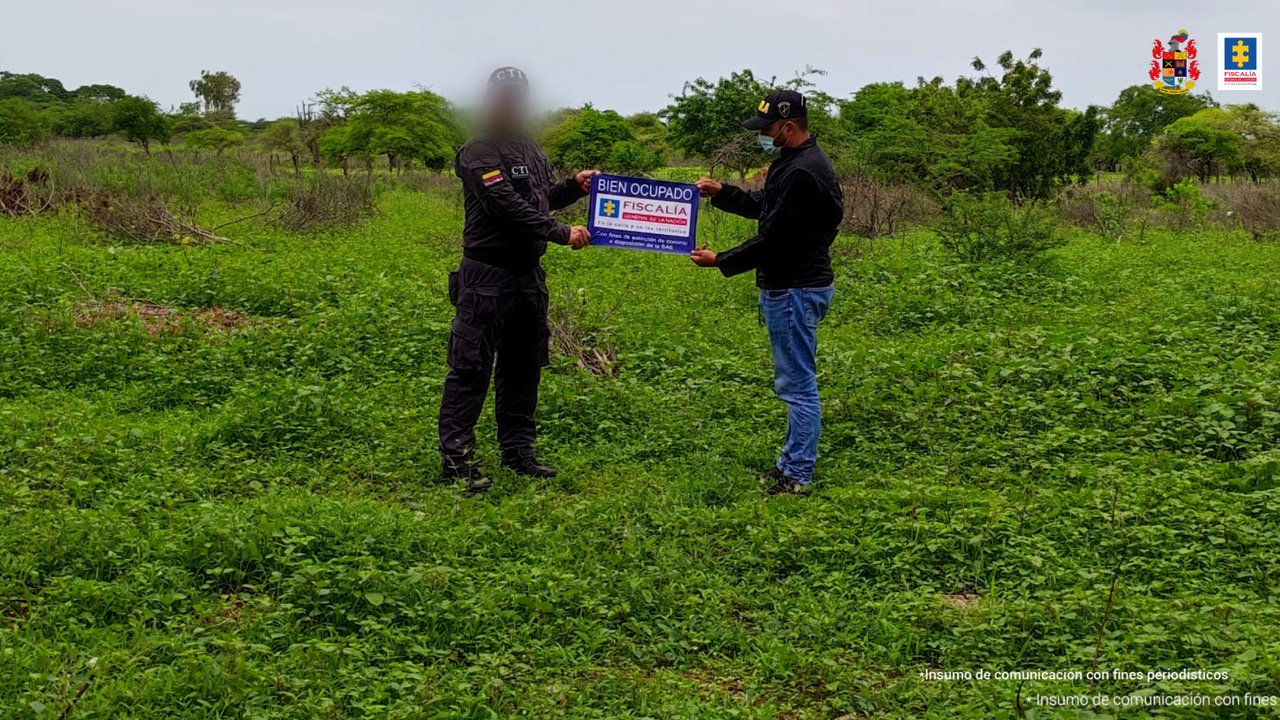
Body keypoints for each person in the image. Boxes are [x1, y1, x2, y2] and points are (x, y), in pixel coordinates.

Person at [440, 66, 597, 493]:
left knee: (524, 366)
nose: (511, 105)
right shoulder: (479, 149)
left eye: (518, 97)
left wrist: (575, 188)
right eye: (504, 97)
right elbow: (504, 204)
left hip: (528, 276)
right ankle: (458, 460)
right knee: (470, 367)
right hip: (486, 276)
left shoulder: (530, 146)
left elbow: (541, 200)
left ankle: (518, 452)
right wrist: (561, 233)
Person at [689, 89, 844, 496]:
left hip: (795, 287)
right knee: (795, 379)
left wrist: (721, 259)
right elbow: (764, 206)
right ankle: (792, 465)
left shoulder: (803, 172)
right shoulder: (791, 162)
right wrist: (722, 191)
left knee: (797, 385)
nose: (763, 135)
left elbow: (774, 238)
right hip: (792, 284)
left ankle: (796, 475)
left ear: (789, 127)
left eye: (768, 128)